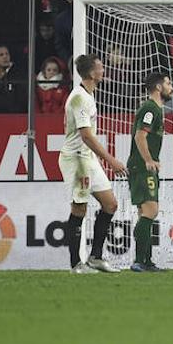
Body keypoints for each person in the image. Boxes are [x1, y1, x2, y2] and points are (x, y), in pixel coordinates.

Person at [60, 54, 129, 274]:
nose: (103, 70)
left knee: (110, 204)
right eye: (100, 67)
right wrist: (111, 161)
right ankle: (75, 264)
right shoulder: (79, 98)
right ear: (91, 73)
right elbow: (86, 136)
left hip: (87, 158)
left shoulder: (88, 95)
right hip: (77, 159)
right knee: (79, 208)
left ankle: (96, 257)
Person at [126, 71, 173, 272]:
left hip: (144, 166)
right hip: (142, 166)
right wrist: (148, 160)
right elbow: (140, 136)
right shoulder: (150, 108)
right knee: (150, 210)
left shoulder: (155, 109)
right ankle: (139, 261)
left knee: (145, 213)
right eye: (168, 83)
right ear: (158, 87)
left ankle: (146, 261)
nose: (171, 87)